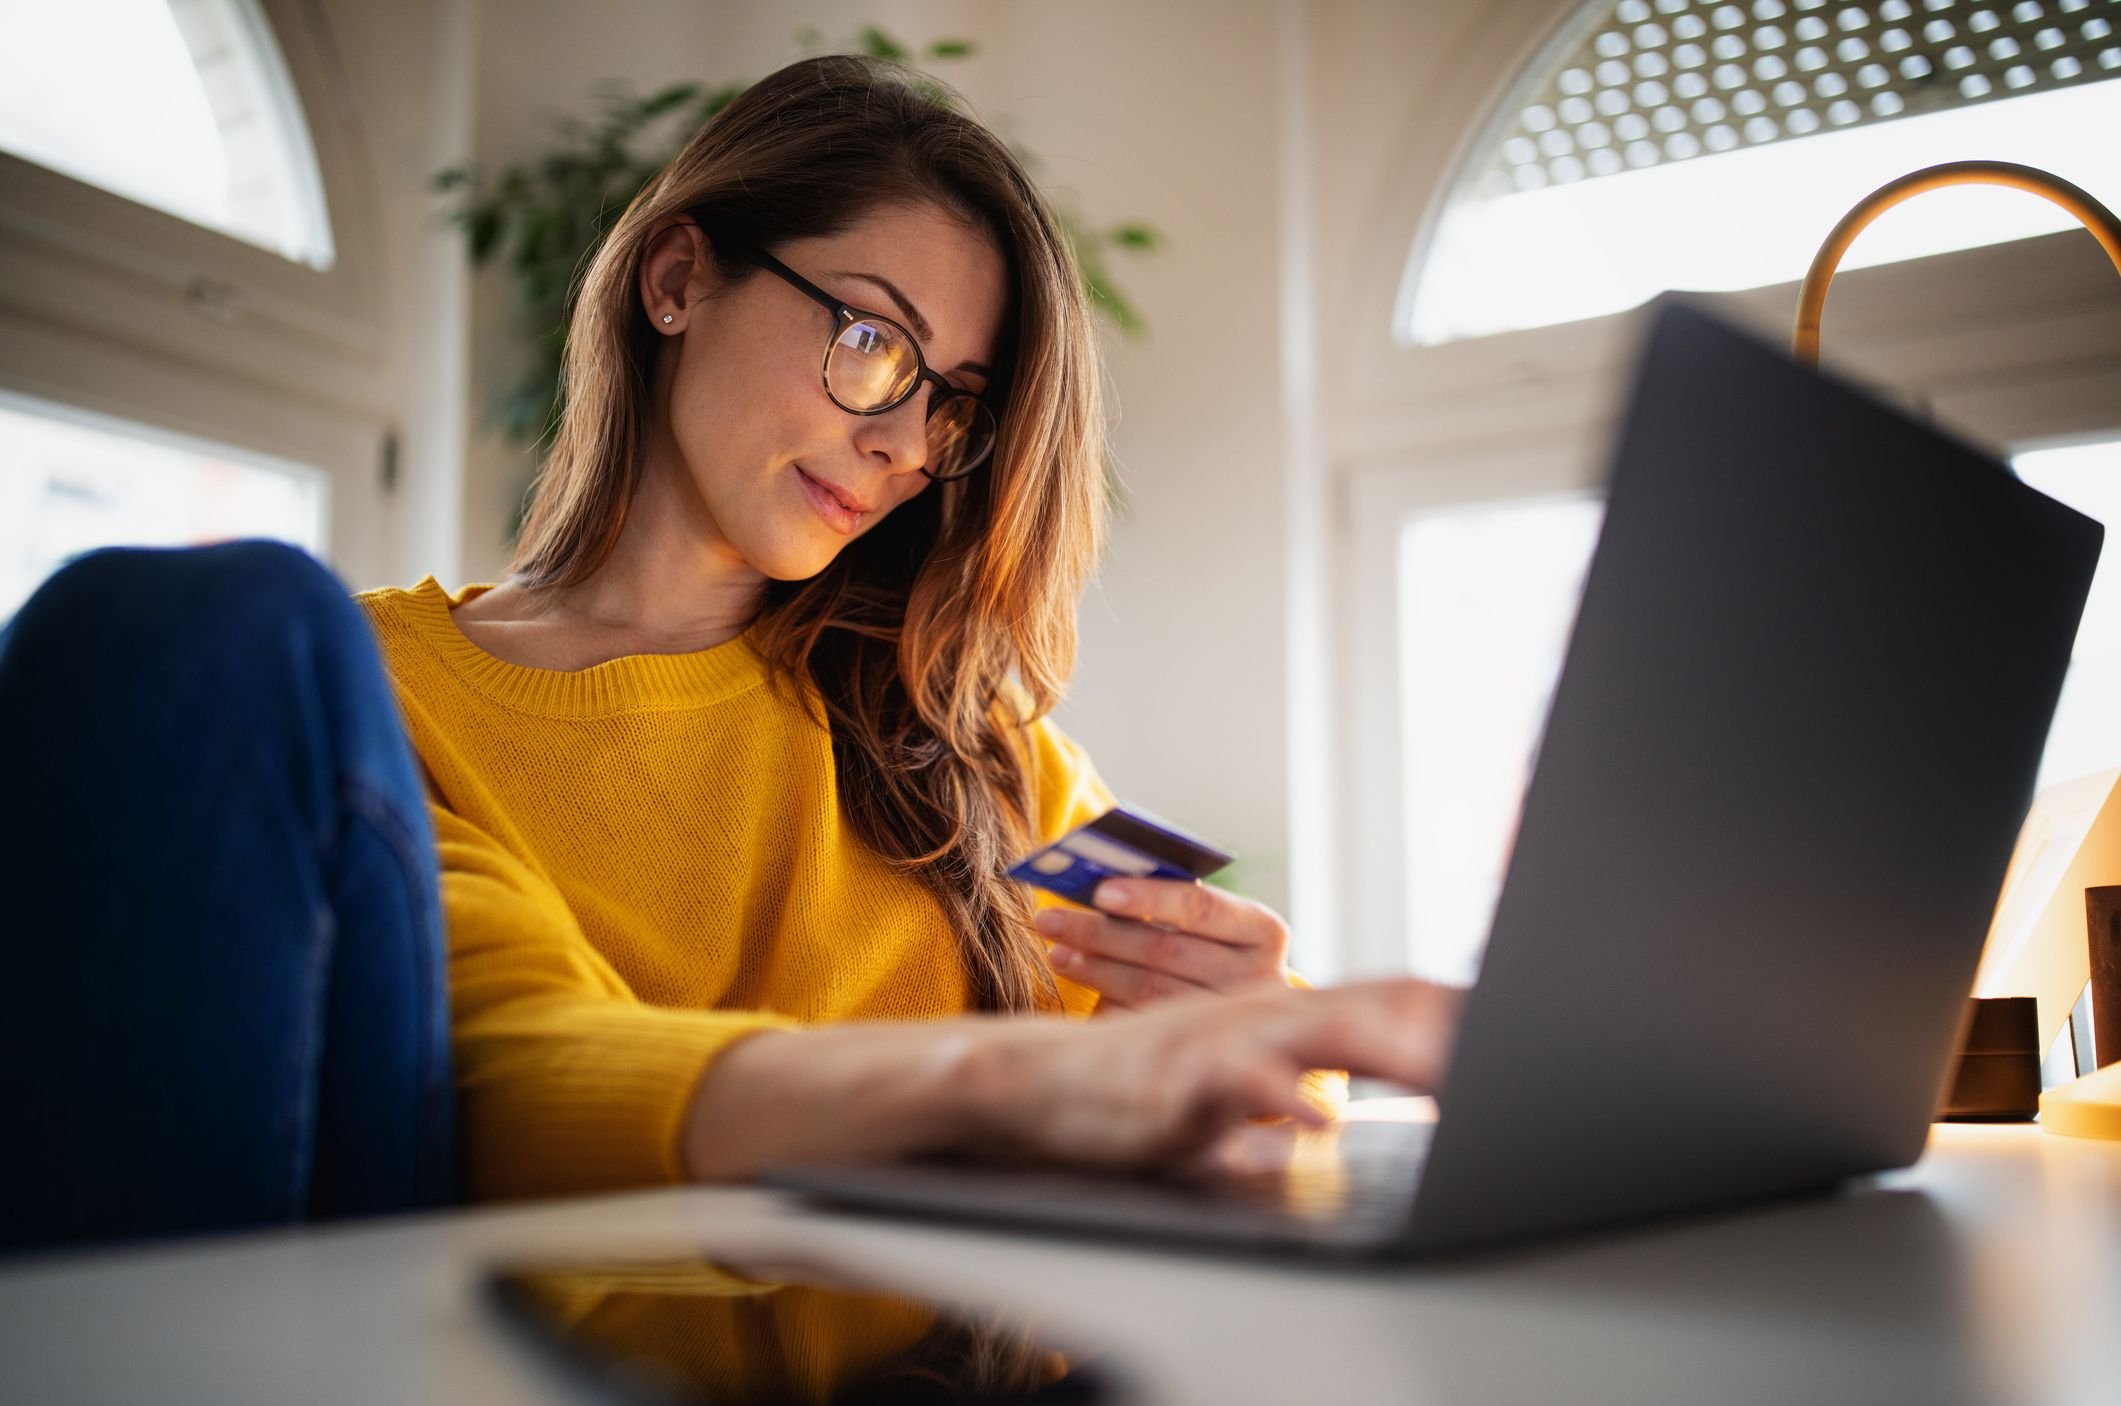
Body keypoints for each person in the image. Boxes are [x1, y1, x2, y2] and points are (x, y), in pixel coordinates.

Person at [0, 56, 1458, 1249]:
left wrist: (1263, 1048)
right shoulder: (367, 690)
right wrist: (1002, 1081)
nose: (901, 443)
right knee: (188, 631)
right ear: (678, 278)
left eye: (950, 402)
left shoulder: (975, 747)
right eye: (873, 343)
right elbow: (514, 1057)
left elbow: (1230, 1143)